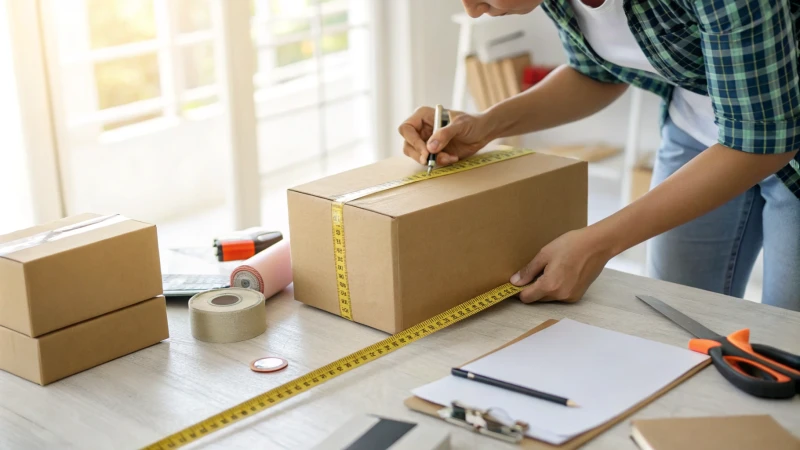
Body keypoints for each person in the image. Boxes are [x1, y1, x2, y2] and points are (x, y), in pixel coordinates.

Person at [398, 0, 800, 311]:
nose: (471, 9)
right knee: (674, 314)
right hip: (698, 131)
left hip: (778, 137)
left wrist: (600, 243)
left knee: (788, 336)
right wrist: (488, 124)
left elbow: (761, 139)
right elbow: (596, 73)